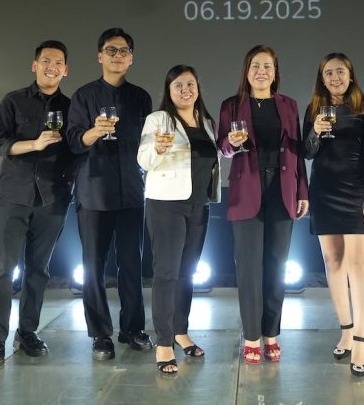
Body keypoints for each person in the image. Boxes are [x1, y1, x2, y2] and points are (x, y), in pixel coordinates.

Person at [0, 40, 75, 367]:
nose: (52, 67)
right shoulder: (13, 100)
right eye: (46, 61)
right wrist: (34, 144)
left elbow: (77, 149)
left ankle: (27, 332)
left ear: (66, 70)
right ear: (35, 65)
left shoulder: (72, 106)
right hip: (13, 195)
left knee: (39, 271)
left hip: (53, 197)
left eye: (58, 62)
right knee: (2, 270)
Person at [217, 45, 309, 365]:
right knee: (248, 269)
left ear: (275, 72)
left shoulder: (288, 105)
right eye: (255, 65)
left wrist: (303, 192)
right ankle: (252, 337)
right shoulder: (231, 105)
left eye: (267, 66)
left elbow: (297, 152)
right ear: (246, 70)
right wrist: (232, 144)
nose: (261, 71)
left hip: (282, 191)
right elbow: (222, 147)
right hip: (247, 192)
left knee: (276, 267)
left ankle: (271, 334)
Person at [66, 27, 153, 360]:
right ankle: (100, 334)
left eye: (124, 51)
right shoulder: (84, 96)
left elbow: (147, 143)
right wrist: (94, 132)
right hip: (94, 191)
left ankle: (133, 328)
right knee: (93, 266)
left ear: (131, 59)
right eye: (112, 50)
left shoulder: (141, 97)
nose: (118, 56)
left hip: (131, 190)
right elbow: (74, 141)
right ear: (100, 56)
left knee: (131, 263)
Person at [137, 65, 220, 375]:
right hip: (166, 204)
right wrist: (157, 149)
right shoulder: (158, 120)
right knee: (167, 273)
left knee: (187, 273)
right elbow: (143, 159)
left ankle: (180, 331)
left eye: (190, 84)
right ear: (169, 91)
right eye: (178, 85)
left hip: (199, 204)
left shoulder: (207, 122)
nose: (185, 89)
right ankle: (163, 342)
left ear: (198, 88)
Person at [302, 53, 364, 377]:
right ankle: (346, 331)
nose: (335, 78)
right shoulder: (314, 108)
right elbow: (306, 151)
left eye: (340, 72)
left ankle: (360, 341)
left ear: (350, 74)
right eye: (329, 73)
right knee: (333, 261)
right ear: (322, 78)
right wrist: (315, 132)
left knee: (359, 265)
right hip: (324, 191)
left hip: (356, 192)